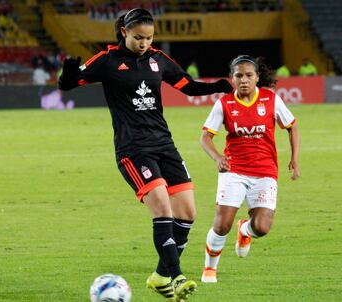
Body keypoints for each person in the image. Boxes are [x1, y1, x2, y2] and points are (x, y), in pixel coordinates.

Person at [58, 8, 233, 301]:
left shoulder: (157, 59)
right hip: (133, 149)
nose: (144, 43)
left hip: (164, 144)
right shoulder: (107, 60)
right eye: (139, 37)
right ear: (124, 32)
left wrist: (216, 87)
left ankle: (160, 276)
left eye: (149, 38)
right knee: (163, 208)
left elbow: (186, 86)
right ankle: (176, 277)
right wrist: (68, 73)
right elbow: (69, 84)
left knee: (187, 214)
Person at [200, 55, 300, 283]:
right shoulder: (224, 104)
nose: (243, 80)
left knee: (262, 227)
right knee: (222, 224)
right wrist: (217, 157)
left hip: (265, 172)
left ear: (257, 77)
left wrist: (294, 159)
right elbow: (205, 137)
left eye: (248, 75)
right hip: (233, 170)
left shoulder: (271, 100)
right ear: (232, 78)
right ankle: (209, 269)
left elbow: (292, 128)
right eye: (239, 76)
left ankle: (245, 230)